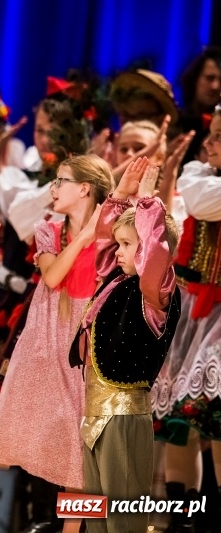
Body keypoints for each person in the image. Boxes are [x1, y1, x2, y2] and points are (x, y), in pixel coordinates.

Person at [0, 154, 113, 533]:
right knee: (3, 439)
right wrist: (84, 237)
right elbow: (53, 277)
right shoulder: (48, 231)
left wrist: (95, 235)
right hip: (42, 343)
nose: (53, 189)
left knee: (79, 454)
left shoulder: (111, 238)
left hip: (85, 347)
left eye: (61, 181)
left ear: (84, 188)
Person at [71, 157, 181, 533]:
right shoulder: (117, 282)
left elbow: (154, 256)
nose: (117, 252)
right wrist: (118, 197)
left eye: (127, 244)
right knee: (96, 517)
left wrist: (149, 204)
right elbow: (103, 247)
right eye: (119, 244)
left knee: (123, 519)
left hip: (122, 417)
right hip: (94, 414)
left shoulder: (155, 291)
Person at [150, 108, 221, 532]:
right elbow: (188, 202)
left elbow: (199, 198)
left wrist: (193, 169)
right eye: (209, 135)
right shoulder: (204, 179)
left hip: (215, 318)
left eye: (217, 137)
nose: (208, 145)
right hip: (196, 311)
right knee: (184, 418)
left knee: (214, 415)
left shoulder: (205, 184)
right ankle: (183, 518)